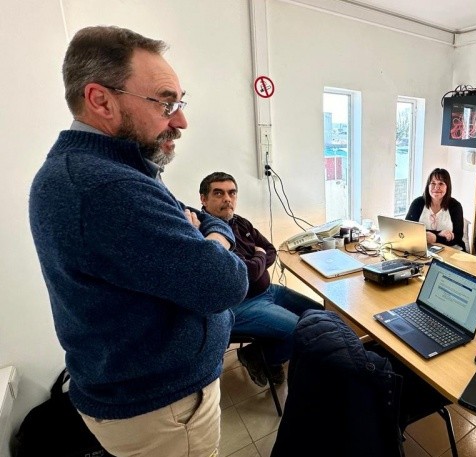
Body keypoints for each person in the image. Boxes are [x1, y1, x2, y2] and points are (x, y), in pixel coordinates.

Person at [28, 26, 249, 457]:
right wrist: (218, 241)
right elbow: (225, 284)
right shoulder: (105, 187)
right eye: (166, 102)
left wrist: (209, 230)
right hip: (165, 411)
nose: (181, 120)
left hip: (150, 396)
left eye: (180, 103)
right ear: (100, 100)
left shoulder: (119, 169)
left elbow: (200, 216)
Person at [199, 172, 323, 386]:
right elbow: (246, 273)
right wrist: (259, 257)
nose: (227, 199)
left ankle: (264, 348)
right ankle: (260, 357)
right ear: (203, 199)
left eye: (232, 193)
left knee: (321, 315)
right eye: (218, 193)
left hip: (269, 291)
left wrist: (258, 259)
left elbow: (270, 249)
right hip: (240, 305)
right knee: (303, 332)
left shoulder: (241, 223)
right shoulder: (207, 235)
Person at [404, 168, 466, 250]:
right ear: (428, 186)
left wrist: (436, 238)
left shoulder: (455, 206)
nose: (436, 187)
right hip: (422, 248)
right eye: (433, 183)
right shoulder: (417, 203)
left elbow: (457, 237)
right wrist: (439, 234)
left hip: (451, 249)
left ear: (447, 187)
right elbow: (407, 229)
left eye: (441, 183)